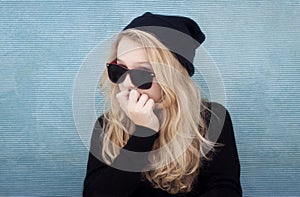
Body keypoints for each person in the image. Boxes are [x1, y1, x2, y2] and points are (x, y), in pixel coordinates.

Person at [83, 12, 242, 197]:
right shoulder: (107, 125)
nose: (125, 84)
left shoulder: (211, 118)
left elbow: (225, 190)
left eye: (141, 73)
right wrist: (142, 133)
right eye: (119, 69)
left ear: (172, 79)